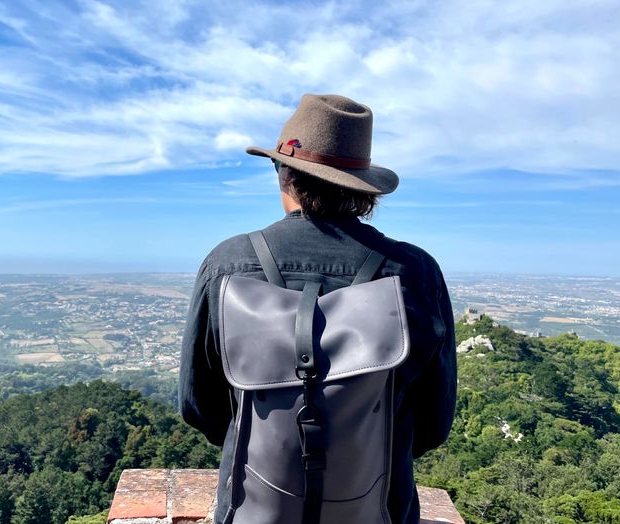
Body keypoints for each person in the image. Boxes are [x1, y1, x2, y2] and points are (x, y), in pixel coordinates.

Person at [179, 94, 456, 523]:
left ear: (284, 174)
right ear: (362, 187)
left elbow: (199, 405)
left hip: (251, 509)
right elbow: (434, 421)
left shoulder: (227, 264)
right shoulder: (415, 272)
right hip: (378, 510)